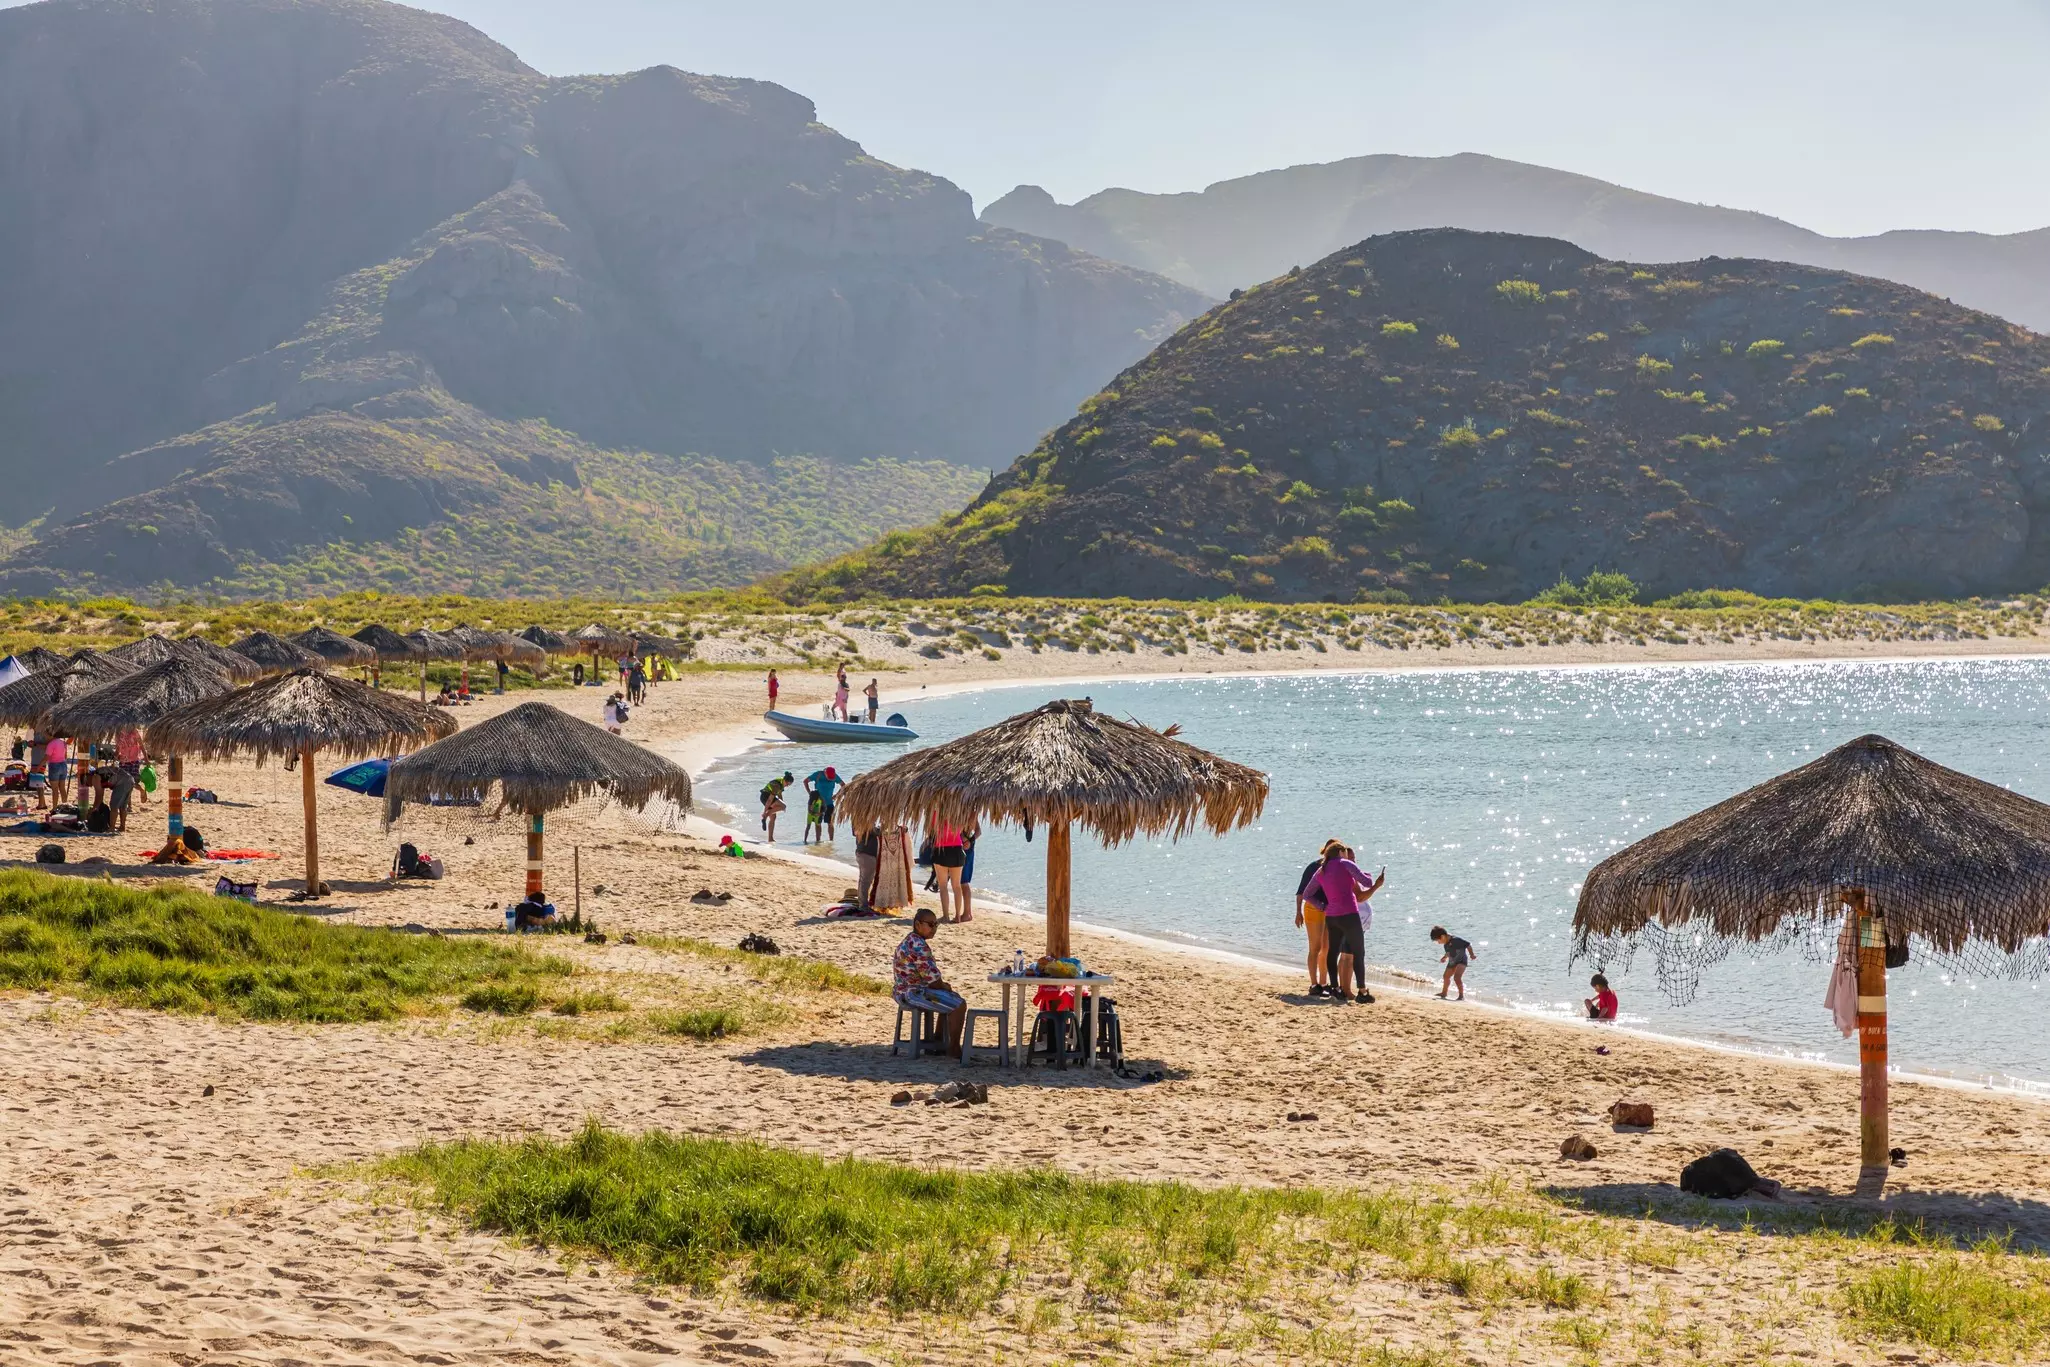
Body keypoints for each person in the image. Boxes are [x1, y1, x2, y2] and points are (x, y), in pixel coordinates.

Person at [1313, 843, 1385, 1004]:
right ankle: (1351, 990)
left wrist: (1324, 906)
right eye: (1350, 857)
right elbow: (1361, 895)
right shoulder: (1346, 872)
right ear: (1342, 855)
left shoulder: (1334, 872)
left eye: (1354, 858)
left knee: (1344, 955)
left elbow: (1309, 893)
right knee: (1350, 956)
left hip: (1342, 917)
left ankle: (1341, 988)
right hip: (1349, 918)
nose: (1353, 861)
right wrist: (1376, 885)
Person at [892, 907, 966, 1058]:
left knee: (948, 999)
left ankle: (938, 1041)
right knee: (959, 1005)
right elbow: (933, 981)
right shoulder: (918, 945)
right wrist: (945, 986)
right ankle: (953, 1048)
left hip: (901, 992)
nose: (934, 928)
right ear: (918, 924)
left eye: (936, 924)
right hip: (914, 994)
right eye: (931, 925)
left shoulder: (908, 940)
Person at [1294, 839, 1340, 997]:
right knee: (1315, 947)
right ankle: (1314, 985)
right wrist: (1298, 912)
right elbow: (1301, 892)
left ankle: (1323, 983)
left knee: (1326, 948)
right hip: (1313, 908)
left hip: (1330, 910)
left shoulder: (1338, 868)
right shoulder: (1314, 867)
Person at [930, 816, 967, 922]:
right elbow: (962, 828)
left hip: (941, 849)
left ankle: (946, 916)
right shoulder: (958, 814)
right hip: (957, 850)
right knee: (957, 886)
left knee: (943, 886)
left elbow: (933, 828)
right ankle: (957, 916)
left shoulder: (936, 813)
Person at [1430, 926, 1475, 1001]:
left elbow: (1468, 945)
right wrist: (1444, 957)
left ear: (1442, 936)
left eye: (1438, 940)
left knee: (1457, 977)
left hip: (1461, 961)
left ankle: (1461, 995)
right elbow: (1448, 952)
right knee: (1446, 976)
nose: (1438, 943)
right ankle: (1444, 993)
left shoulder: (1456, 940)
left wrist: (1471, 954)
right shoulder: (1445, 945)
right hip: (1452, 961)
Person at [804, 765, 844, 841]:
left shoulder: (835, 776)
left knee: (830, 823)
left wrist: (837, 795)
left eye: (832, 778)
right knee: (818, 823)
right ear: (825, 773)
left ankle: (831, 842)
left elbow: (843, 785)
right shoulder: (818, 774)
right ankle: (818, 841)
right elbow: (805, 781)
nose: (830, 779)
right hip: (818, 804)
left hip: (829, 803)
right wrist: (810, 793)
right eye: (829, 777)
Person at [956, 819, 980, 922]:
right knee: (962, 883)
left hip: (966, 849)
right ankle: (968, 913)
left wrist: (970, 841)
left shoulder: (971, 814)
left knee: (963, 883)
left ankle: (967, 913)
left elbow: (978, 832)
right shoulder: (967, 813)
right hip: (963, 847)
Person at [854, 824, 882, 907]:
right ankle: (863, 904)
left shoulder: (858, 823)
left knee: (863, 880)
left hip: (861, 853)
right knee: (865, 881)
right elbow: (878, 832)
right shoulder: (867, 824)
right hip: (867, 855)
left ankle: (861, 902)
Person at [107, 762, 135, 833]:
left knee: (114, 806)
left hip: (122, 783)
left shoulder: (98, 775)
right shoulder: (109, 770)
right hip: (131, 780)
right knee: (123, 806)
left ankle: (112, 828)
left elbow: (99, 795)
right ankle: (122, 826)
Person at [759, 775, 788, 841]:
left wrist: (781, 803)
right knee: (784, 806)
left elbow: (779, 795)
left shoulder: (781, 783)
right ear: (784, 780)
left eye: (789, 784)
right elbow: (769, 800)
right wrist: (765, 812)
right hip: (766, 797)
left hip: (765, 797)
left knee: (773, 817)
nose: (787, 786)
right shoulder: (777, 785)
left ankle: (770, 838)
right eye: (787, 784)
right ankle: (765, 816)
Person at [45, 734, 70, 807]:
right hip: (63, 764)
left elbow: (46, 757)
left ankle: (54, 807)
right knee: (62, 788)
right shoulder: (63, 742)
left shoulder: (51, 744)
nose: (45, 737)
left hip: (54, 765)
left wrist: (38, 767)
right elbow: (65, 756)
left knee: (55, 789)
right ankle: (65, 806)